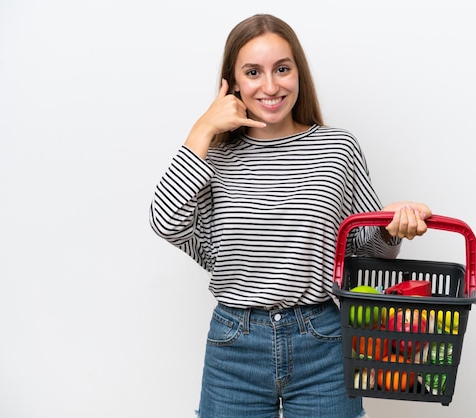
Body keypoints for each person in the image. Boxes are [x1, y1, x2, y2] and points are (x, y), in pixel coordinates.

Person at [149, 14, 431, 418]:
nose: (270, 85)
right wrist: (201, 131)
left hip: (323, 343)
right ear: (231, 84)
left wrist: (390, 232)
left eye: (282, 68)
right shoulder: (213, 158)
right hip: (234, 348)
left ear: (299, 71)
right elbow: (166, 221)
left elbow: (363, 253)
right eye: (253, 72)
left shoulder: (337, 148)